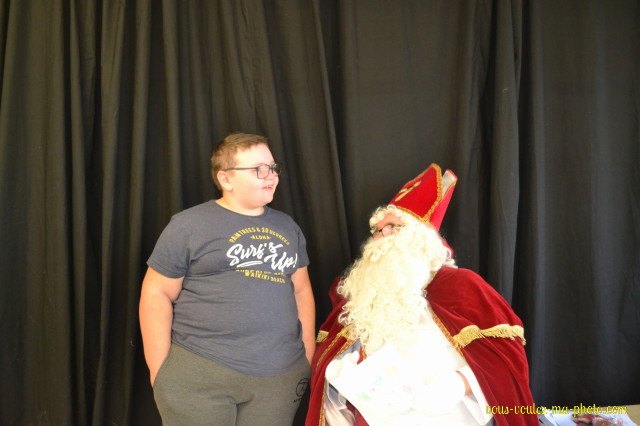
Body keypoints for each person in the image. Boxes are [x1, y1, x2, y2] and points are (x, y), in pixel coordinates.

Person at [306, 164, 537, 426]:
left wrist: (459, 383)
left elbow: (505, 362)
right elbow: (337, 354)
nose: (381, 237)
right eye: (378, 231)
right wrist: (341, 369)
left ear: (421, 237)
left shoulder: (462, 285)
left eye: (393, 226)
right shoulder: (364, 294)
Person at [139, 132, 316, 426]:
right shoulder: (188, 225)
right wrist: (160, 371)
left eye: (273, 167)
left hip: (279, 379)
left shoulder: (288, 227)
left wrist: (305, 360)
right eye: (259, 169)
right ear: (226, 179)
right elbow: (156, 293)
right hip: (200, 375)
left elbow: (301, 293)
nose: (271, 176)